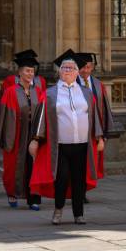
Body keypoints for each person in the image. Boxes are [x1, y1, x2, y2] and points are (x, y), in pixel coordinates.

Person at [29, 49, 104, 225]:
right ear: (59, 71)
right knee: (61, 178)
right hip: (60, 145)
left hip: (82, 145)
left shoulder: (86, 93)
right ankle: (58, 210)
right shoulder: (50, 93)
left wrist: (99, 137)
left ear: (78, 72)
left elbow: (94, 116)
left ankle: (79, 214)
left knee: (79, 180)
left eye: (71, 68)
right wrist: (36, 139)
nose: (67, 70)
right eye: (64, 68)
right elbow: (41, 117)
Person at [0, 54, 44, 210]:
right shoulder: (10, 91)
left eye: (32, 71)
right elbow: (2, 115)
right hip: (16, 134)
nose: (30, 74)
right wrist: (4, 135)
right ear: (20, 73)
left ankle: (34, 198)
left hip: (34, 134)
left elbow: (44, 113)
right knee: (14, 166)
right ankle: (12, 193)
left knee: (35, 165)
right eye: (27, 71)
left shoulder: (38, 91)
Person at [76, 52, 115, 202]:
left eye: (89, 67)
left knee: (91, 161)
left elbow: (104, 109)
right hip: (78, 130)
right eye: (83, 67)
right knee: (79, 162)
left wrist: (104, 132)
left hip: (95, 131)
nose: (86, 71)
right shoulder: (72, 84)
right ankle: (79, 190)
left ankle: (84, 188)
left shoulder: (98, 84)